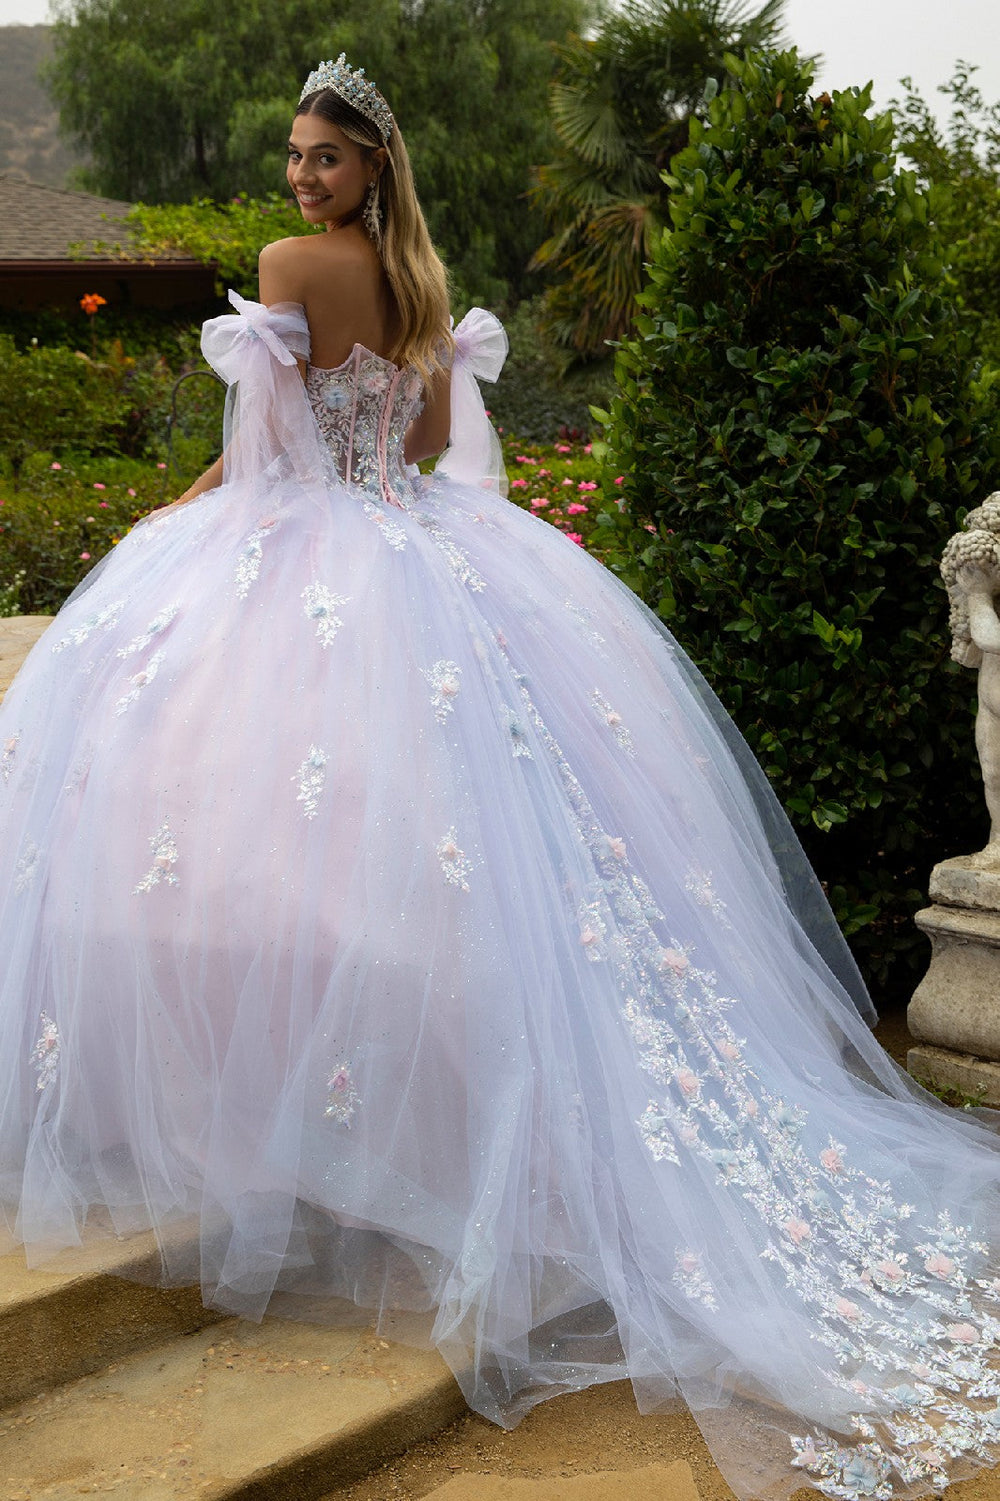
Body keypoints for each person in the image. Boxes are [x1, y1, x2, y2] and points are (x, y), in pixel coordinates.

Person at [2, 55, 1000, 1501]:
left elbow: (266, 452)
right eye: (296, 156)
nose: (301, 178)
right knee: (442, 856)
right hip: (419, 552)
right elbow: (417, 446)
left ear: (369, 166)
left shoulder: (289, 267)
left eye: (324, 157)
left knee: (246, 827)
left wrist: (181, 512)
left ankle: (282, 1128)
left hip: (307, 547)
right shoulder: (417, 283)